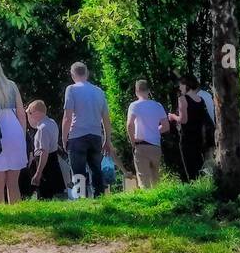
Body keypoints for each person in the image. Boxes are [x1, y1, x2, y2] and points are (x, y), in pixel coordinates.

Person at [60, 62, 113, 198]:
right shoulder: (98, 91)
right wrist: (107, 139)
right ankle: (100, 198)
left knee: (78, 172)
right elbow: (106, 118)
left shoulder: (71, 89)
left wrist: (64, 137)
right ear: (87, 73)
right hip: (95, 135)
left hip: (77, 135)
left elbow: (68, 116)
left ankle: (81, 200)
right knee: (96, 169)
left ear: (73, 75)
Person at [0, 57, 29, 204]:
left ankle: (0, 217)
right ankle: (16, 215)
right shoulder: (12, 85)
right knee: (13, 183)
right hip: (15, 131)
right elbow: (22, 114)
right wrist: (22, 136)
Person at [126, 81, 170, 189]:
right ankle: (159, 201)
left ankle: (148, 203)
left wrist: (133, 141)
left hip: (141, 145)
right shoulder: (158, 105)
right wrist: (154, 131)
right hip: (156, 146)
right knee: (156, 179)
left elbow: (130, 125)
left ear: (136, 92)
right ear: (149, 91)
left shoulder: (134, 106)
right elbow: (166, 126)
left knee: (143, 181)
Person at [169, 77, 215, 181]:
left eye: (181, 85)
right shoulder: (200, 99)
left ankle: (194, 188)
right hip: (199, 137)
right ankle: (202, 186)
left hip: (187, 137)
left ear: (187, 85)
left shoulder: (182, 99)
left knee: (190, 167)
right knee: (199, 164)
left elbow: (183, 119)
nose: (180, 87)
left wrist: (172, 116)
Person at [26, 101, 67, 199]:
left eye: (30, 113)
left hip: (45, 166)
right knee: (53, 196)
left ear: (35, 113)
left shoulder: (42, 129)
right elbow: (54, 144)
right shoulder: (52, 123)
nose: (29, 117)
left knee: (44, 197)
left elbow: (44, 152)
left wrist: (38, 173)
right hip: (54, 162)